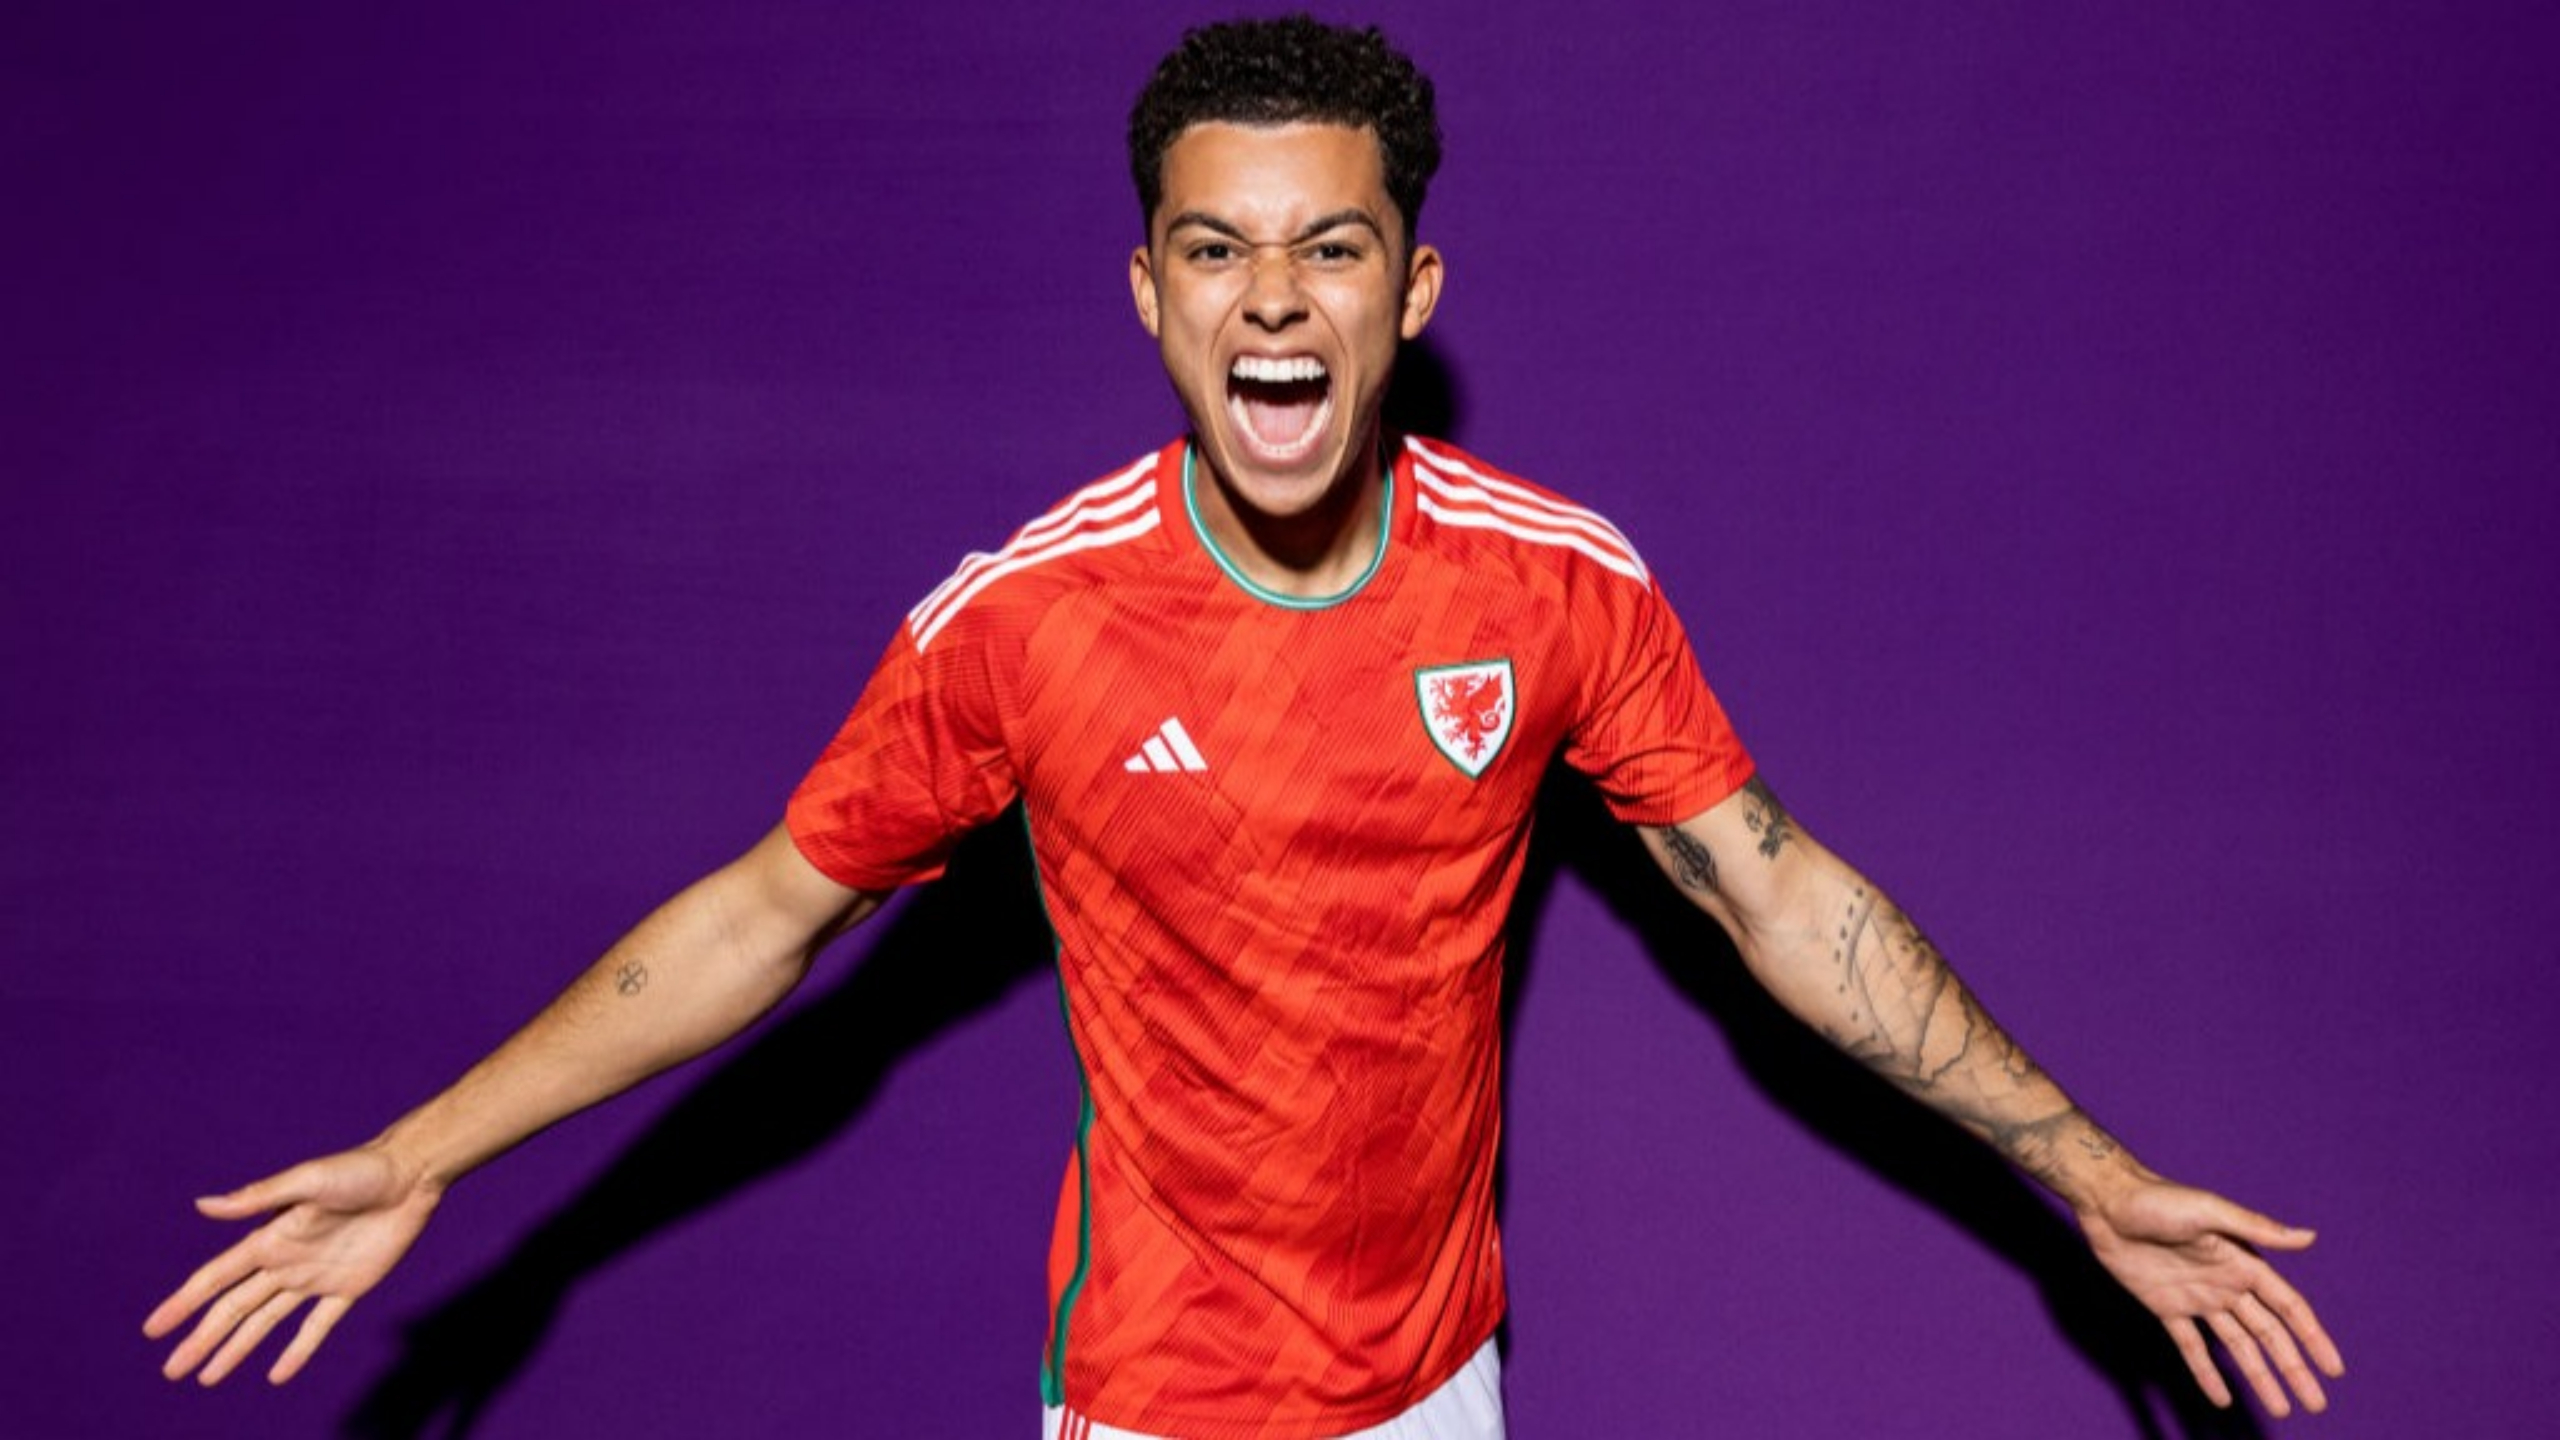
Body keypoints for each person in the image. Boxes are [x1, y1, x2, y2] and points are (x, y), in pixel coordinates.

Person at [145, 16, 2344, 1437]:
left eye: (1328, 250)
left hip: (1442, 1386)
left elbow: (1777, 896)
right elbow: (757, 917)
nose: (1271, 298)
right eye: (1213, 251)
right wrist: (424, 1155)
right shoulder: (1029, 618)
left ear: (1410, 291)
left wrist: (2088, 1173)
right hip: (1149, 1399)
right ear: (1149, 295)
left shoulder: (1554, 580)